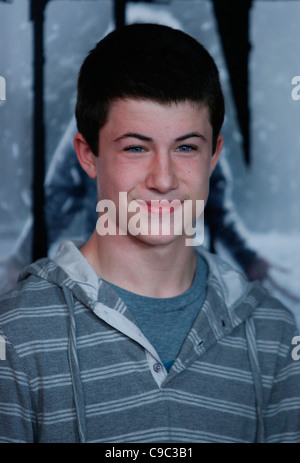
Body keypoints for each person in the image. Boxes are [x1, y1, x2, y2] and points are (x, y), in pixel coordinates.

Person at [0, 23, 299, 443]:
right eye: (136, 148)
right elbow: (53, 199)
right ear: (88, 156)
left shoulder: (273, 334)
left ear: (214, 155)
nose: (163, 179)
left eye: (186, 147)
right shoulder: (15, 333)